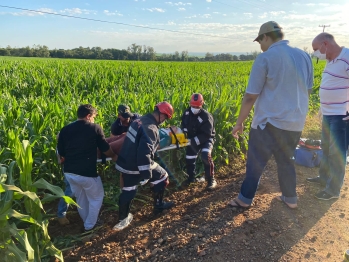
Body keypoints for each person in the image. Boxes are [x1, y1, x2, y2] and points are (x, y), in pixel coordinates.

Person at [228, 21, 313, 209]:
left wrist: (239, 122)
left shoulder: (265, 58)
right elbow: (307, 90)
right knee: (287, 160)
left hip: (268, 123)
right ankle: (290, 198)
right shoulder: (304, 56)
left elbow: (251, 96)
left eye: (260, 41)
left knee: (256, 163)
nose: (260, 45)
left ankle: (244, 199)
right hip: (295, 123)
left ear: (266, 37)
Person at [113, 102, 175, 231]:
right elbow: (144, 153)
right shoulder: (151, 128)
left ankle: (122, 219)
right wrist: (146, 175)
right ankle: (158, 206)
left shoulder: (139, 120)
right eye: (165, 118)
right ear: (162, 115)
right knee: (163, 176)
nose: (164, 121)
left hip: (125, 161)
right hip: (137, 164)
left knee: (128, 189)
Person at [57, 104, 117, 232]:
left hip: (69, 173)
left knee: (81, 199)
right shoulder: (94, 128)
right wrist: (114, 155)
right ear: (88, 116)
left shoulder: (65, 129)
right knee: (97, 197)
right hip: (86, 173)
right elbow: (105, 148)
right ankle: (90, 226)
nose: (94, 119)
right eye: (94, 116)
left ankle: (88, 222)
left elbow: (61, 153)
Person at [306, 33, 349, 200]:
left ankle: (333, 190)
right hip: (328, 114)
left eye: (316, 49)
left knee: (337, 154)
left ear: (325, 44)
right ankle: (323, 178)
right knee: (325, 148)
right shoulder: (331, 61)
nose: (316, 53)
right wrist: (322, 109)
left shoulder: (346, 57)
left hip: (341, 116)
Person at [181, 93, 217, 190]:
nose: (194, 108)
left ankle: (211, 180)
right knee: (189, 158)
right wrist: (183, 137)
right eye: (193, 106)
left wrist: (192, 141)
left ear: (201, 105)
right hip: (192, 139)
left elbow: (207, 134)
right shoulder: (187, 113)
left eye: (197, 106)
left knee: (206, 156)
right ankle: (191, 178)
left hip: (206, 139)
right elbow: (184, 126)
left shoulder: (206, 116)